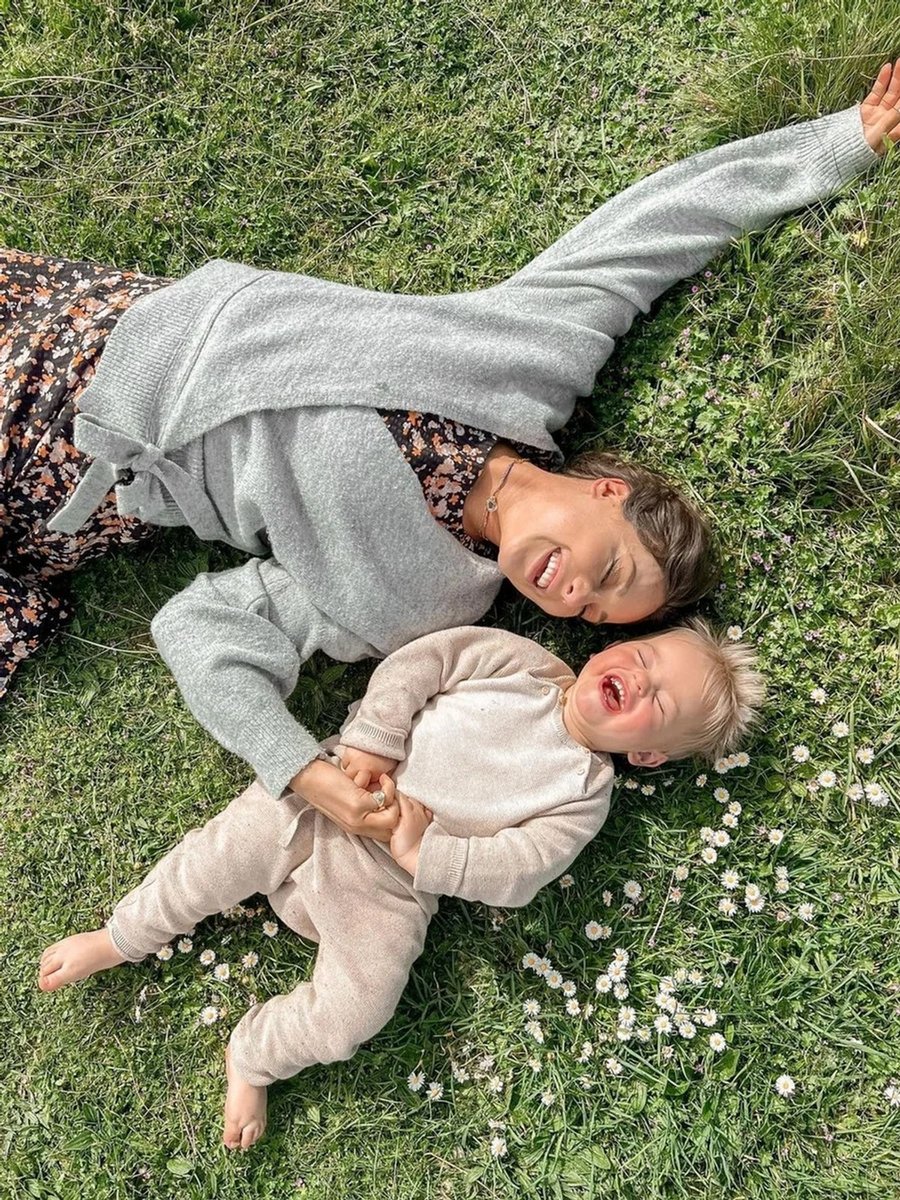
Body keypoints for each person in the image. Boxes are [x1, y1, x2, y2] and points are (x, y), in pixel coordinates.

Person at [5, 64, 899, 839]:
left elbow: (196, 631)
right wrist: (836, 147)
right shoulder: (532, 359)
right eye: (612, 571)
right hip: (124, 321)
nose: (574, 596)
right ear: (609, 492)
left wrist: (301, 769)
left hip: (60, 462)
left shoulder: (418, 605)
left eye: (592, 617)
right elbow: (648, 237)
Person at [38, 618, 764, 1149]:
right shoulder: (518, 662)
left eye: (658, 703)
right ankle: (122, 935)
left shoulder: (582, 795)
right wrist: (371, 740)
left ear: (646, 755)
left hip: (391, 884)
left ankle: (254, 1052)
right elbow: (420, 665)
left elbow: (520, 872)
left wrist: (426, 853)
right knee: (218, 855)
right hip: (330, 791)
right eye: (644, 657)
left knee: (361, 1007)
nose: (639, 679)